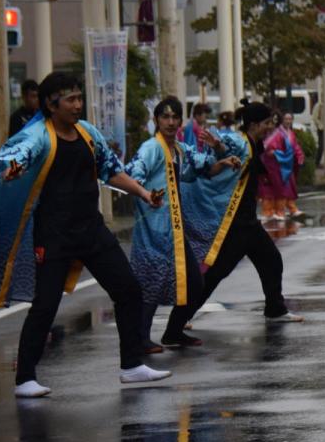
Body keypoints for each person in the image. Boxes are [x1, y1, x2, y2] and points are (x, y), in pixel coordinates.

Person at [0, 71, 171, 398]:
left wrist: (143, 194)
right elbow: (15, 157)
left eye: (79, 98)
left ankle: (131, 365)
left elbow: (110, 170)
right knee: (45, 304)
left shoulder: (87, 134)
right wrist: (12, 168)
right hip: (54, 234)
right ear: (50, 103)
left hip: (91, 229)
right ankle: (25, 379)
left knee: (128, 289)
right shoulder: (39, 137)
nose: (77, 105)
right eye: (70, 99)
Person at [169, 99, 304, 342]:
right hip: (234, 222)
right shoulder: (241, 140)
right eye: (265, 124)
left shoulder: (254, 142)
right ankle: (179, 322)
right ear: (253, 124)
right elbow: (227, 150)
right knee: (215, 274)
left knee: (271, 260)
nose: (268, 128)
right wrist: (219, 145)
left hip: (247, 221)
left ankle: (275, 309)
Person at [125, 96, 239, 352]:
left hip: (173, 229)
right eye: (165, 117)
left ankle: (174, 331)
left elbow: (202, 168)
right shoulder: (150, 149)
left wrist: (222, 159)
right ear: (156, 120)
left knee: (195, 282)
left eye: (175, 117)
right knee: (150, 282)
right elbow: (134, 176)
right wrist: (145, 194)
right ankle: (140, 339)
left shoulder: (179, 149)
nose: (170, 122)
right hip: (153, 228)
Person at [264, 112, 306, 218]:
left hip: (287, 164)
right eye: (286, 119)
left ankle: (291, 209)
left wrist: (300, 156)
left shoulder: (290, 133)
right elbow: (269, 147)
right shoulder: (278, 133)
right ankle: (279, 211)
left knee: (289, 188)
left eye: (290, 119)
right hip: (278, 165)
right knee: (280, 189)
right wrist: (276, 154)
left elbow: (295, 146)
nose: (288, 121)